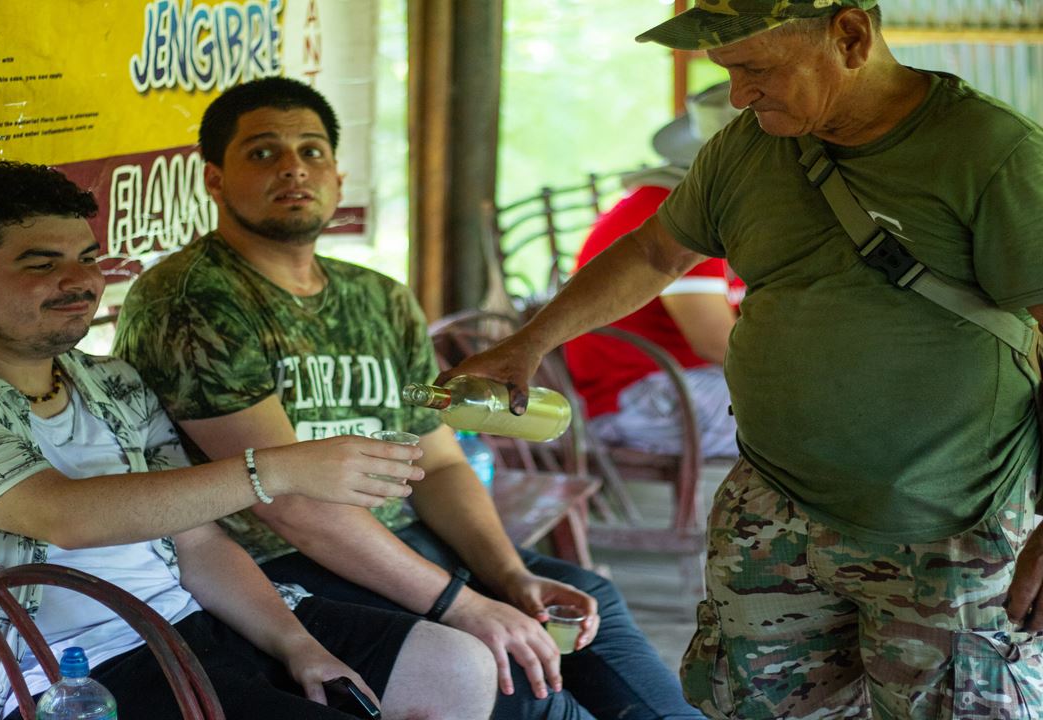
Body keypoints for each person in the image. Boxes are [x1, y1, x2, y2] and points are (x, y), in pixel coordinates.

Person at [439, 1, 1043, 717]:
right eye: (727, 71)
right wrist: (526, 343)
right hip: (773, 510)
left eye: (756, 68)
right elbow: (657, 251)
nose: (738, 95)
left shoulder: (991, 152)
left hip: (949, 522)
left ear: (848, 36)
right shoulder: (749, 147)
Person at [113, 77, 704, 720]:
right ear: (214, 180)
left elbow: (440, 462)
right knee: (526, 683)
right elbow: (292, 506)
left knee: (580, 602)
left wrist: (508, 577)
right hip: (280, 565)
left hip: (400, 541)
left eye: (312, 151)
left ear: (338, 174)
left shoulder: (379, 298)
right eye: (262, 153)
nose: (293, 168)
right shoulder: (192, 300)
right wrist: (467, 605)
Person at [0, 161, 497, 720]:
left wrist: (296, 645)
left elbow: (200, 541)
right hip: (59, 677)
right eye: (42, 263)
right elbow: (63, 515)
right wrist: (278, 470)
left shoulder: (110, 382)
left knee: (455, 665)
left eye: (87, 258)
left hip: (187, 622)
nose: (80, 282)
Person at [566, 82, 743, 459]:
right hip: (638, 396)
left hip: (673, 382)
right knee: (818, 418)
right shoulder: (677, 213)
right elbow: (716, 343)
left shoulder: (701, 205)